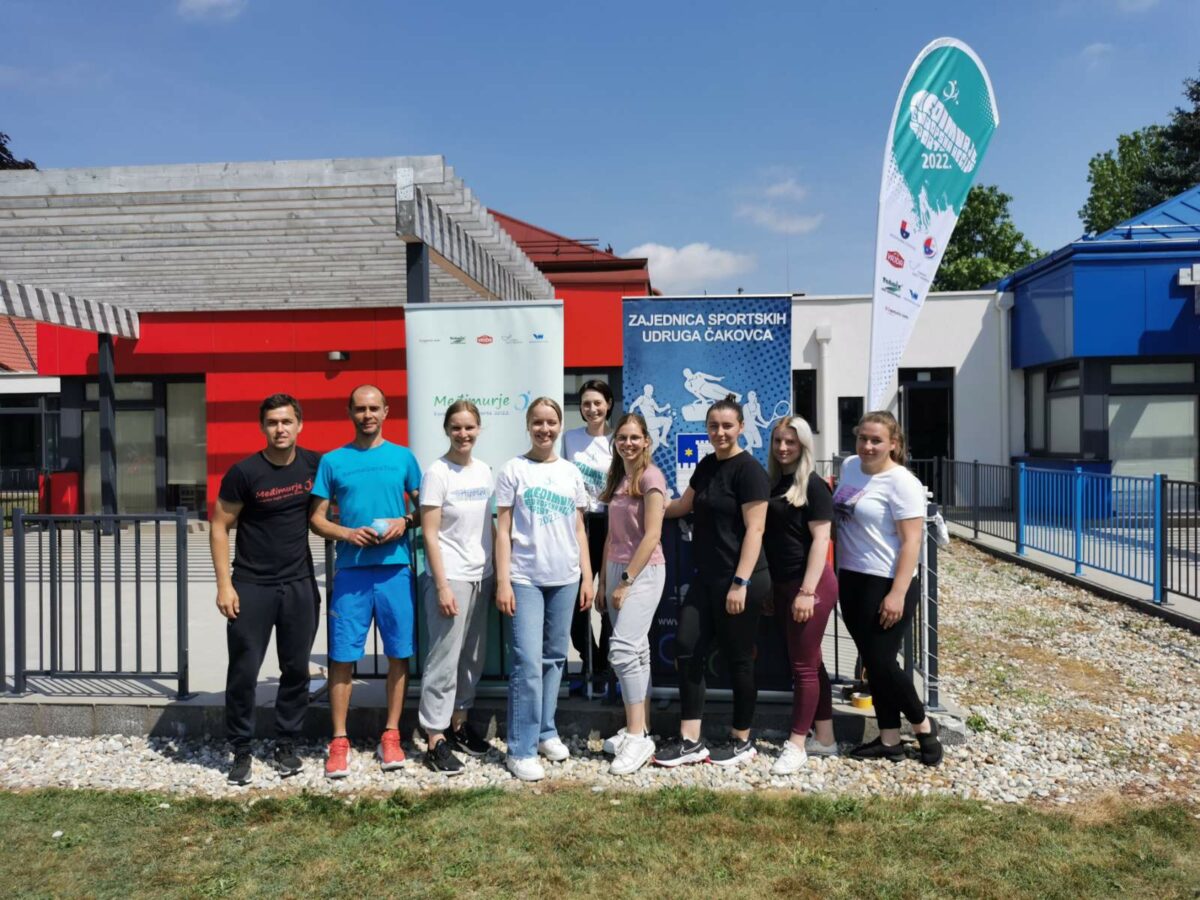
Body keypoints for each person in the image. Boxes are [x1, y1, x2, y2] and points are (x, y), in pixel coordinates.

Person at [309, 385, 422, 779]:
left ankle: (391, 735)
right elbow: (316, 518)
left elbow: (425, 508)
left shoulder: (403, 457)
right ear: (350, 413)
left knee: (399, 653)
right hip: (351, 572)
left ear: (386, 411)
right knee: (342, 656)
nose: (367, 415)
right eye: (360, 409)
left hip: (395, 569)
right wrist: (347, 533)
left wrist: (404, 521)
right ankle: (339, 740)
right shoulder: (332, 461)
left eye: (374, 408)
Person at [210, 393, 321, 785]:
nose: (280, 429)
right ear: (262, 427)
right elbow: (219, 526)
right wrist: (224, 585)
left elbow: (341, 500)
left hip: (299, 584)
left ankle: (285, 743)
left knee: (296, 669)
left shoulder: (314, 465)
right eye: (272, 422)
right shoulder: (244, 472)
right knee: (244, 671)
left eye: (287, 421)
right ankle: (241, 748)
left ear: (299, 425)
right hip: (252, 585)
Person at [657, 396, 770, 767]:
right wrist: (644, 502)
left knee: (739, 659)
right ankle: (690, 740)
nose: (719, 432)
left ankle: (742, 739)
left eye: (727, 426)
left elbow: (755, 529)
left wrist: (740, 582)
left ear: (740, 428)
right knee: (686, 646)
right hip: (706, 578)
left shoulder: (750, 471)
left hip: (740, 580)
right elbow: (682, 506)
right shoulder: (706, 465)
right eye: (713, 426)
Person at [832, 411, 943, 766]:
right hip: (851, 576)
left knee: (882, 661)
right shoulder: (850, 467)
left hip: (886, 581)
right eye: (862, 438)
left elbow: (912, 542)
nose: (867, 446)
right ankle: (889, 739)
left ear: (893, 444)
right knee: (875, 664)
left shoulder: (902, 482)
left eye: (876, 440)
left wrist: (896, 593)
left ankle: (923, 726)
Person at [494, 397, 594, 782]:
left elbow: (579, 528)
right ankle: (520, 749)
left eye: (551, 422)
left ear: (559, 425)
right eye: (538, 422)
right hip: (525, 578)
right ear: (528, 425)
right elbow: (503, 530)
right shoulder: (513, 470)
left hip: (565, 577)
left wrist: (587, 576)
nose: (545, 429)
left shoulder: (570, 472)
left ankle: (545, 731)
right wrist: (503, 580)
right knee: (527, 663)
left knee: (554, 658)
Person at [417, 400, 496, 775]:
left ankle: (458, 723)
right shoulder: (437, 473)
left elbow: (489, 525)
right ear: (447, 430)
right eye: (456, 428)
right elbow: (430, 534)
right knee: (444, 660)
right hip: (451, 577)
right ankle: (434, 736)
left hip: (483, 575)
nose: (463, 434)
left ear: (479, 429)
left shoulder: (484, 471)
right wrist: (442, 585)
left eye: (469, 427)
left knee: (472, 657)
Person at [763, 416, 839, 775]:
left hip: (810, 586)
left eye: (790, 442)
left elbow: (821, 541)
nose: (783, 447)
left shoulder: (814, 486)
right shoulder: (774, 482)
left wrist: (807, 592)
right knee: (812, 663)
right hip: (783, 585)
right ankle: (825, 737)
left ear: (804, 445)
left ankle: (796, 745)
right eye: (778, 440)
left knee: (803, 668)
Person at [596, 413, 667, 775]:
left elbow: (652, 535)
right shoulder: (618, 478)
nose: (628, 443)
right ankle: (640, 727)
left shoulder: (651, 477)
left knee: (622, 650)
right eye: (622, 437)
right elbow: (611, 535)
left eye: (634, 437)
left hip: (643, 571)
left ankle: (637, 737)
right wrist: (603, 583)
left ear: (646, 441)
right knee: (637, 651)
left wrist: (625, 581)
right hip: (615, 568)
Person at [562, 379, 614, 695]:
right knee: (575, 600)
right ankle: (587, 660)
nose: (592, 409)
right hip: (578, 524)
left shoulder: (617, 440)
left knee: (608, 600)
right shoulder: (570, 439)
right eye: (586, 404)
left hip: (611, 525)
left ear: (608, 404)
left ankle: (606, 666)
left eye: (597, 403)